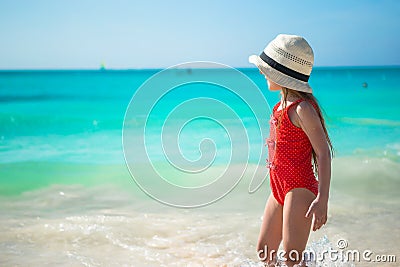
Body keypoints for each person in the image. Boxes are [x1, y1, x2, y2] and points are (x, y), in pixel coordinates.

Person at [249, 34, 334, 266]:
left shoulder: (302, 109)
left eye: (266, 69)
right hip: (278, 188)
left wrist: (322, 199)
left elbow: (324, 152)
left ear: (282, 74)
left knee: (292, 258)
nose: (261, 72)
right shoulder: (279, 106)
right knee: (265, 252)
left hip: (299, 188)